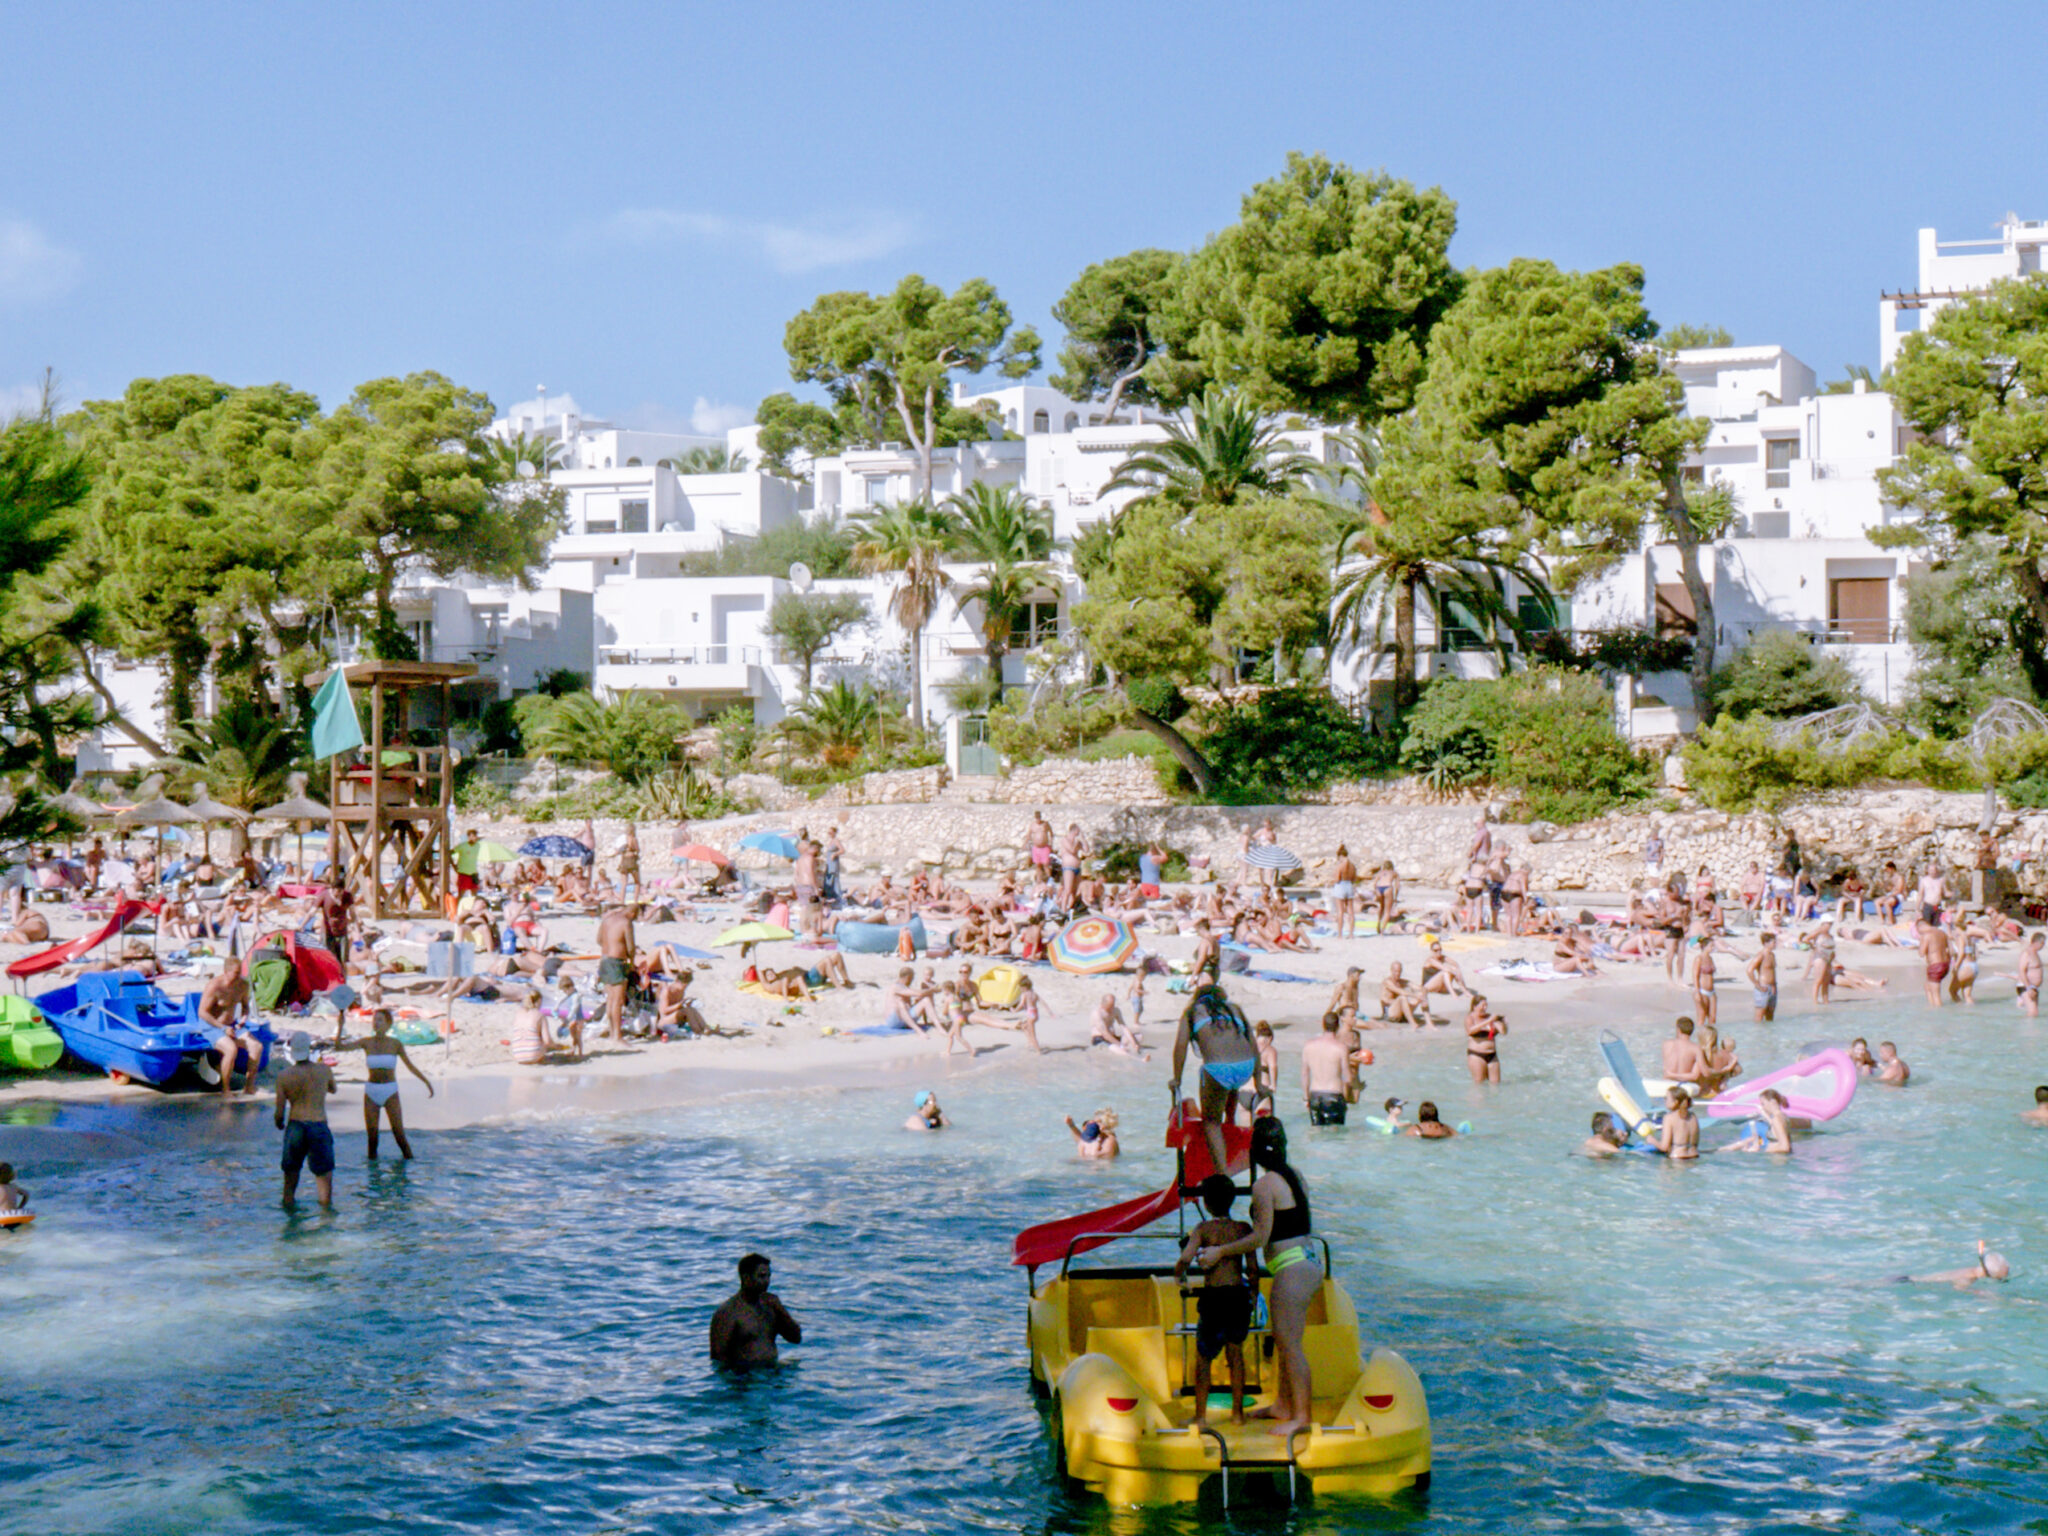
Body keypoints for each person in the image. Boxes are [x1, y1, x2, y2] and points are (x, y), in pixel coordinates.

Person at [1196, 1118, 1317, 1439]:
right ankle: (1283, 1404)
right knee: (1284, 1340)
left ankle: (1301, 1417)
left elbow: (1261, 1237)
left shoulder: (1264, 1186)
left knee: (1290, 1345)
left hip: (1291, 1268)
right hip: (1307, 1262)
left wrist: (1221, 1252)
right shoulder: (1296, 1176)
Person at [1174, 1174, 1255, 1426]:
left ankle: (1200, 1416)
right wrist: (1253, 1292)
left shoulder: (1203, 1229)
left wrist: (1180, 1277)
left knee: (1204, 1356)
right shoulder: (1243, 1229)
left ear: (1206, 1204)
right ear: (1232, 1200)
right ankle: (1238, 1414)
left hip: (1214, 1298)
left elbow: (1185, 1259)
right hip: (1237, 1296)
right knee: (1236, 1354)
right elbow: (1252, 1268)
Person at [1169, 982, 1260, 1173]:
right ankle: (1231, 1122)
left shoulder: (1191, 1013)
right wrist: (1259, 1083)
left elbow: (1180, 1047)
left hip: (1219, 1070)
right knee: (1228, 1086)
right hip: (1246, 1067)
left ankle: (1222, 1173)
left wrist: (1176, 1079)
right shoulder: (1235, 1009)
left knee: (1211, 1123)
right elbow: (1253, 1045)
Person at [336, 1008, 435, 1159]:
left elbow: (410, 1066)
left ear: (389, 1024)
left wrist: (426, 1082)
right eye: (375, 1019)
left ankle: (407, 1173)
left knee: (399, 1135)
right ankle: (373, 1179)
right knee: (372, 1138)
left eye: (380, 1020)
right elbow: (339, 1048)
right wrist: (340, 1026)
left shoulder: (395, 1044)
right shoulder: (366, 1043)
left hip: (390, 1091)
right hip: (371, 1091)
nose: (376, 1023)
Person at [273, 1032, 338, 1207]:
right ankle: (326, 1224)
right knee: (323, 1179)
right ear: (309, 1049)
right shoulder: (324, 1070)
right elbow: (333, 1089)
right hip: (318, 1124)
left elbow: (279, 1113)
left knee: (289, 1181)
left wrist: (279, 1124)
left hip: (295, 1127)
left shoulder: (284, 1076)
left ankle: (290, 1224)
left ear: (292, 1051)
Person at [709, 1253, 803, 1366]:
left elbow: (796, 1338)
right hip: (745, 1376)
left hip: (772, 1372)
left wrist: (780, 1310)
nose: (767, 1281)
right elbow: (717, 1358)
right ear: (746, 1277)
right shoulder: (728, 1312)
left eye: (769, 1276)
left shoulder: (771, 1306)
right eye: (761, 1276)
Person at [196, 967, 262, 1098]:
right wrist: (222, 1028)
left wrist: (244, 1017)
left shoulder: (243, 985)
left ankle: (249, 1087)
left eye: (239, 975)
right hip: (211, 1025)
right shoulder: (214, 986)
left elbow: (245, 1006)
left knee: (256, 1046)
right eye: (234, 975)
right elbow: (202, 1013)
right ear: (226, 972)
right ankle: (226, 1090)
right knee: (231, 1049)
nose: (237, 979)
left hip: (231, 1025)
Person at [596, 902, 637, 1043]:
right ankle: (617, 1036)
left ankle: (612, 1033)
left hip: (604, 960)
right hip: (616, 962)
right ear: (632, 914)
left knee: (610, 999)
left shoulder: (607, 919)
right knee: (617, 1001)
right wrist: (631, 961)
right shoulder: (626, 923)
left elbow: (599, 940)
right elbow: (631, 948)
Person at [1900, 1239, 2011, 1290]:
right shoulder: (1968, 1278)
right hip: (1908, 1282)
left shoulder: (1972, 1271)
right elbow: (1958, 1288)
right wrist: (1977, 1292)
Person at [1301, 1013, 1350, 1126]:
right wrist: (1347, 1098)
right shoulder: (1341, 1048)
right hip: (1334, 1095)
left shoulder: (1308, 1045)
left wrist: (1306, 1098)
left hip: (1315, 1095)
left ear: (1323, 1025)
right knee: (1335, 1135)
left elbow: (1304, 1074)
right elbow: (1347, 1077)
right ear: (1338, 1026)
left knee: (1316, 1133)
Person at [1723, 1088, 1793, 1155]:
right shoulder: (1783, 1116)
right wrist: (1766, 1116)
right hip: (1780, 1160)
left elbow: (1785, 1147)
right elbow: (1776, 1131)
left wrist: (1762, 1151)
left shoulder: (1776, 1118)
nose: (1762, 1107)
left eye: (1763, 1104)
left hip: (1778, 1161)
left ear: (1772, 1102)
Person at [1464, 993, 1505, 1084]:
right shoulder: (1470, 1018)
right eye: (1482, 1006)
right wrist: (1488, 1021)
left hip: (1492, 1055)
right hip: (1476, 1055)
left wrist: (1502, 1022)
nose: (1485, 1008)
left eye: (1486, 1005)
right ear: (1475, 1006)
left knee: (1496, 1084)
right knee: (1479, 1084)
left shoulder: (1490, 1016)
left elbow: (1503, 1032)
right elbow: (1470, 1031)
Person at [1655, 1086, 1700, 1160]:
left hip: (1677, 1159)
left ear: (1675, 1102)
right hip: (1694, 1156)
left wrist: (1651, 1140)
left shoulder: (1668, 1118)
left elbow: (1664, 1147)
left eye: (1666, 1098)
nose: (1664, 1100)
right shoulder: (1693, 1116)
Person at [1917, 919, 1951, 1008]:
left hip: (1935, 965)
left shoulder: (1926, 935)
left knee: (1936, 995)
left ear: (1920, 927)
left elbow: (1921, 953)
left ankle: (1938, 1014)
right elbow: (1950, 950)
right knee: (1927, 986)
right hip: (1945, 964)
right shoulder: (1942, 933)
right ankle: (1931, 1007)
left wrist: (1921, 942)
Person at [1746, 932, 1779, 1022]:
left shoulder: (1772, 955)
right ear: (1766, 943)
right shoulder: (1761, 955)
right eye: (1774, 942)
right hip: (1763, 987)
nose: (1776, 944)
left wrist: (1774, 986)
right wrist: (1757, 985)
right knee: (1759, 1016)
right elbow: (1749, 970)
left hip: (1772, 987)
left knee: (1770, 1016)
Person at [1661, 1016, 1705, 1083]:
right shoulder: (1696, 1048)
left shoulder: (1666, 1044)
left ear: (1678, 1029)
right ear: (1692, 1031)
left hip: (1666, 1082)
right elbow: (1695, 1076)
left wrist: (1671, 1075)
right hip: (1684, 1084)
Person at [1328, 844, 1358, 940]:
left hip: (1341, 886)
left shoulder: (1340, 866)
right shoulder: (1353, 866)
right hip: (1349, 885)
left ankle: (1340, 934)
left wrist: (1331, 881)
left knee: (1340, 911)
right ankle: (1351, 933)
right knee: (1350, 911)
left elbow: (1337, 879)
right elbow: (1354, 878)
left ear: (1340, 856)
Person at [2018, 931, 2044, 1018]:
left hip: (2033, 987)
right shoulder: (2027, 953)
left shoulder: (2035, 953)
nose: (2043, 946)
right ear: (2037, 942)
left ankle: (2031, 1030)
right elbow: (2022, 971)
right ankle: (2025, 1029)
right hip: (2026, 986)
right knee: (2032, 1012)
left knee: (2034, 1013)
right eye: (2043, 944)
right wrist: (2028, 987)